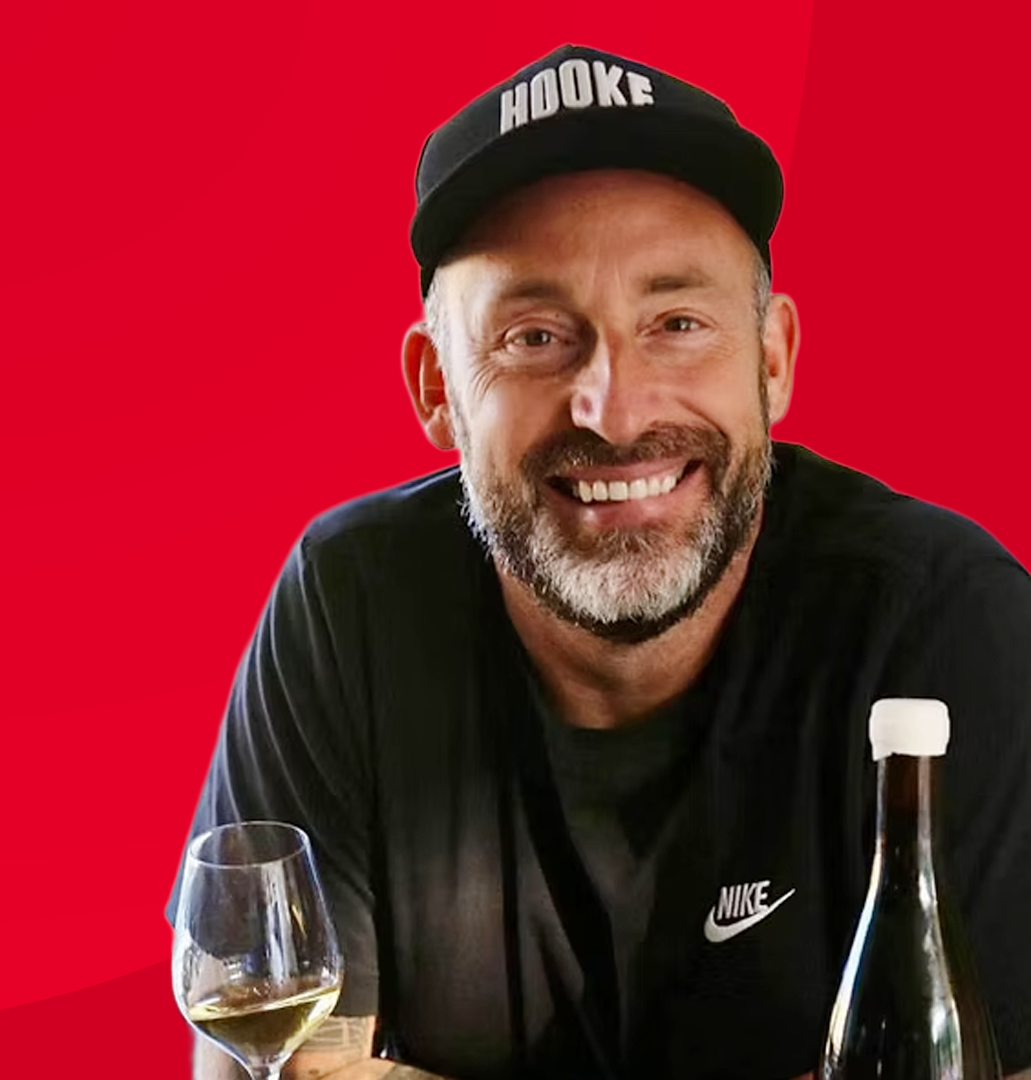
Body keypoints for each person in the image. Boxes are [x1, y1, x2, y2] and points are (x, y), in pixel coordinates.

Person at [172, 44, 1031, 1080]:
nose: (614, 412)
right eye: (535, 337)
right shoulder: (349, 603)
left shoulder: (943, 618)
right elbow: (270, 1064)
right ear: (436, 387)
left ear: (773, 360)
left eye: (677, 323)